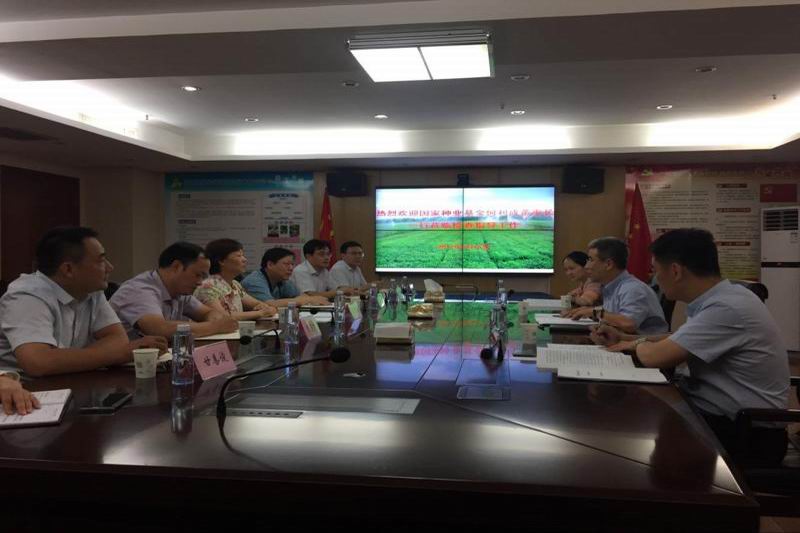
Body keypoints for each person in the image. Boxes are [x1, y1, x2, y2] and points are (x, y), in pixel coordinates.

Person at [591, 228, 790, 466]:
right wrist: (625, 338)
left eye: (655, 270)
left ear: (675, 271)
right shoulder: (721, 298)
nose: (654, 279)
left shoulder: (726, 308)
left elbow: (655, 357)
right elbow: (679, 338)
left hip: (746, 434)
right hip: (717, 415)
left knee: (626, 431)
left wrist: (634, 344)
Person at [0, 227, 167, 377]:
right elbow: (39, 362)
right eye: (101, 260)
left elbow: (117, 339)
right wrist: (120, 354)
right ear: (68, 269)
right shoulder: (26, 296)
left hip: (71, 380)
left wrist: (67, 359)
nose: (110, 267)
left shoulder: (91, 290)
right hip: (24, 389)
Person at [110, 242, 238, 339]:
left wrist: (215, 319)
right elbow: (159, 329)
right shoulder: (140, 290)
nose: (200, 282)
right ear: (176, 267)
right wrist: (215, 327)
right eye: (197, 275)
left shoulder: (180, 291)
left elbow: (207, 312)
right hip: (119, 364)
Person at [565, 237, 668, 334]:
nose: (587, 266)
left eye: (591, 260)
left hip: (643, 345)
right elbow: (613, 315)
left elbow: (629, 323)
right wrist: (586, 311)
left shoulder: (632, 288)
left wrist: (594, 312)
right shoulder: (610, 287)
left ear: (608, 264)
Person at [193, 239, 278, 320]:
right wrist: (260, 313)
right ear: (222, 261)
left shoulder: (235, 284)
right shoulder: (207, 286)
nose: (244, 259)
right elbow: (221, 316)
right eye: (239, 256)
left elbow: (258, 304)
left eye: (243, 255)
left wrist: (264, 308)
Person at [241, 247, 328, 307]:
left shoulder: (282, 280)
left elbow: (302, 296)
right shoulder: (254, 281)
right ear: (270, 264)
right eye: (286, 264)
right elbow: (269, 304)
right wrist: (307, 300)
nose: (291, 268)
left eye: (292, 264)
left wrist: (308, 299)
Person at [290, 239, 357, 299]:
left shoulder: (324, 271)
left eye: (328, 254)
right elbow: (311, 295)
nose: (327, 258)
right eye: (321, 254)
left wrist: (350, 290)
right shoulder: (301, 270)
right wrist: (340, 291)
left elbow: (334, 288)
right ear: (308, 256)